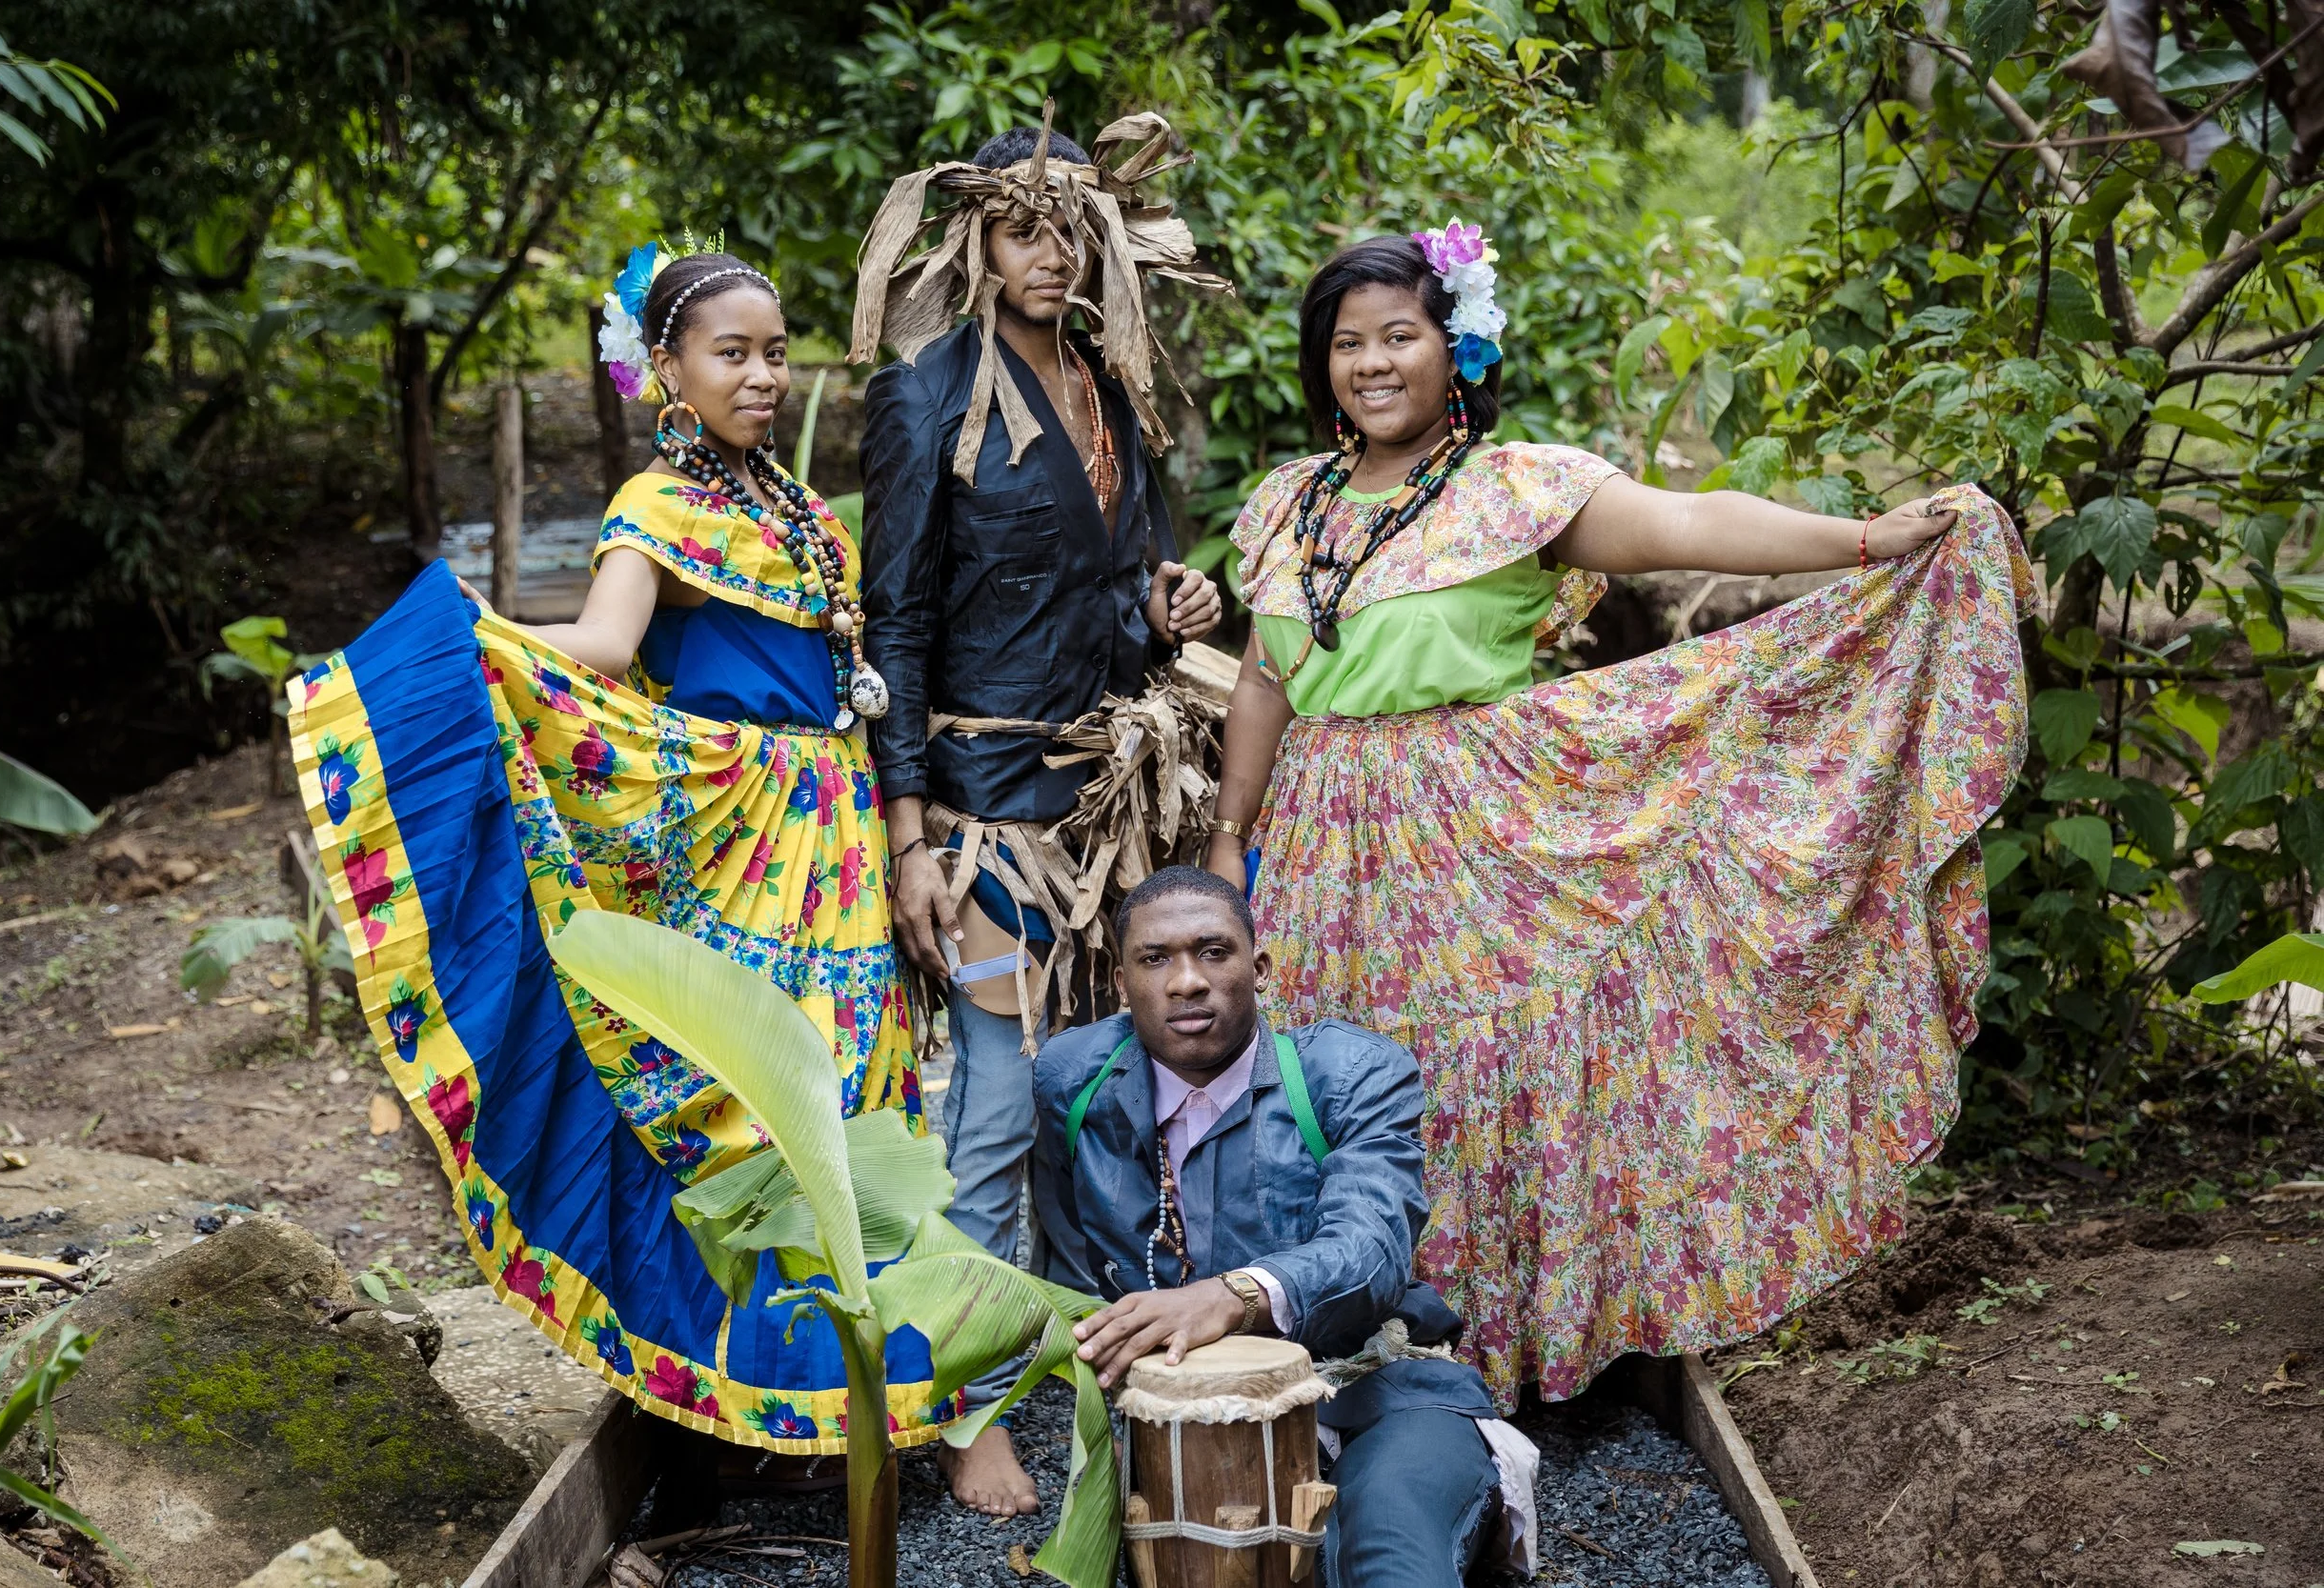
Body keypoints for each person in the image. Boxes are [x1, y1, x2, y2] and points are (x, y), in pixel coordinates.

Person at [1202, 226, 2031, 1410]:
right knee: (1326, 1068)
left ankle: (1481, 1357)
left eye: (1400, 335)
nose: (1372, 363)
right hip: (1323, 841)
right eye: (1347, 343)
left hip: (1477, 831)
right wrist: (1232, 833)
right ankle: (1339, 1338)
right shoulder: (1292, 504)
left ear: (1457, 351)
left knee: (1476, 1071)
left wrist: (1865, 542)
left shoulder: (1511, 490)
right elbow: (1263, 679)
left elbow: (1691, 525)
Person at [290, 240, 949, 1474]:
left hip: (839, 828)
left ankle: (890, 1390)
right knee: (748, 1103)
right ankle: (755, 1389)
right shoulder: (657, 505)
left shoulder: (804, 513)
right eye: (731, 354)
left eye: (774, 353)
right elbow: (601, 643)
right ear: (669, 369)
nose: (761, 377)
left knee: (864, 1087)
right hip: (730, 827)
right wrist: (474, 642)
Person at [851, 111, 1224, 1511]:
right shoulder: (925, 396)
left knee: (1089, 1098)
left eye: (1069, 227)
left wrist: (1174, 599)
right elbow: (894, 622)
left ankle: (1076, 1354)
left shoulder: (1112, 391)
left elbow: (1120, 582)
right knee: (999, 1107)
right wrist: (911, 836)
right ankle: (962, 1407)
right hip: (987, 811)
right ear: (975, 238)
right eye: (1021, 226)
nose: (1048, 252)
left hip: (1109, 807)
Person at [1031, 866, 1541, 1586]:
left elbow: (1372, 1246)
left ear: (1259, 966)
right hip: (1189, 1419)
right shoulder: (1071, 1079)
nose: (1186, 981)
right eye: (1155, 958)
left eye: (1214, 951)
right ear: (1121, 983)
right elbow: (1070, 1230)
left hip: (1376, 1393)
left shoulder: (1351, 1072)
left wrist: (1230, 1296)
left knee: (1385, 1544)